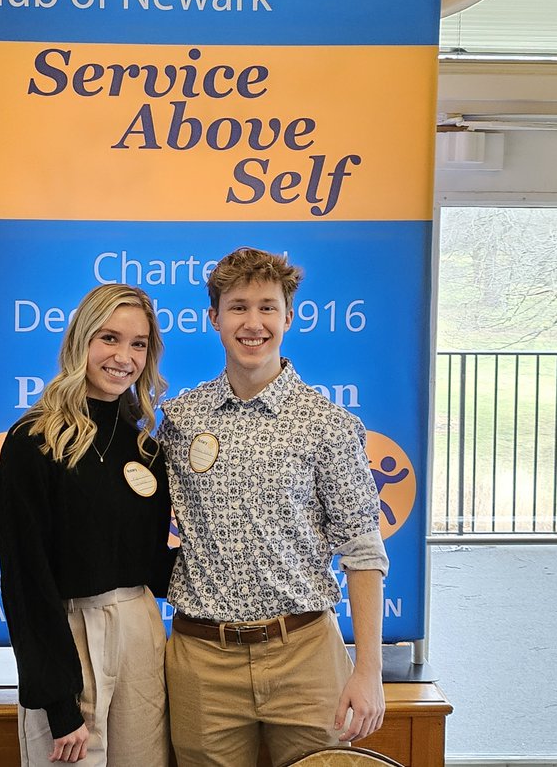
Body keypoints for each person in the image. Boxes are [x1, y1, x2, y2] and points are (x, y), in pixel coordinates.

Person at [159, 247, 389, 767]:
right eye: (238, 306)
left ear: (289, 316)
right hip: (201, 659)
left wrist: (368, 670)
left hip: (304, 654)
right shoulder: (179, 419)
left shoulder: (327, 425)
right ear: (214, 317)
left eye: (267, 307)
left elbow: (363, 550)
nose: (253, 322)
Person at [0, 283, 173, 766]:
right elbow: (25, 578)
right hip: (68, 632)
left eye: (139, 344)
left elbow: (155, 565)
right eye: (109, 338)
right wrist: (57, 700)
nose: (124, 356)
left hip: (140, 627)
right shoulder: (34, 441)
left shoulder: (146, 448)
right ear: (80, 341)